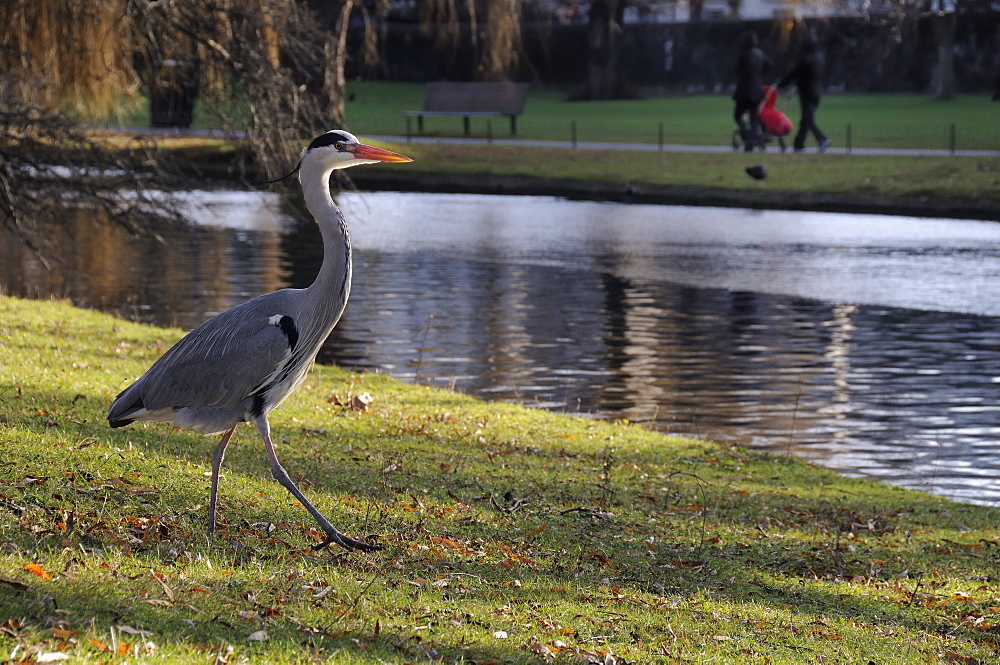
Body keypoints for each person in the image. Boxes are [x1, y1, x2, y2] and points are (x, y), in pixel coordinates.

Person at [779, 30, 830, 152]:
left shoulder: (805, 59)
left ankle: (821, 138)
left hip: (807, 92)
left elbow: (794, 73)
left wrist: (781, 84)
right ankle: (799, 143)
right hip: (817, 91)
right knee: (806, 118)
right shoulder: (819, 57)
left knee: (808, 119)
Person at [733, 30, 771, 152]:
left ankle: (746, 135)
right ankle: (754, 139)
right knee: (754, 117)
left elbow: (737, 69)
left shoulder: (742, 54)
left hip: (744, 90)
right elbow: (769, 65)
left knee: (738, 115)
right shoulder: (760, 54)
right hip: (757, 90)